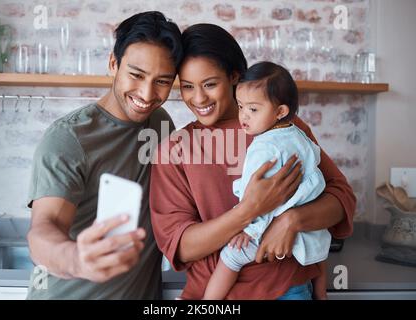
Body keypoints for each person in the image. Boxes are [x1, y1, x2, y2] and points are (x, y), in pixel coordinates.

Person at [150, 24, 356, 300]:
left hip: (288, 288)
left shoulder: (284, 128)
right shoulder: (174, 150)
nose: (198, 98)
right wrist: (250, 210)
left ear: (234, 76)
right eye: (187, 87)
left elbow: (342, 198)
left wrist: (291, 220)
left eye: (210, 84)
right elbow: (181, 246)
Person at [26, 11, 183, 299]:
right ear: (113, 64)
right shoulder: (69, 138)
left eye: (162, 81)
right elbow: (43, 230)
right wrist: (77, 259)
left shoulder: (161, 123)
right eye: (136, 75)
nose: (147, 94)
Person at [203, 61, 330, 300]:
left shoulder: (264, 147)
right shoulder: (300, 135)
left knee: (230, 256)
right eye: (240, 107)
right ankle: (321, 295)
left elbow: (260, 199)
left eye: (253, 109)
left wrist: (250, 231)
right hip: (308, 229)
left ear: (280, 111)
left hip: (270, 230)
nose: (243, 117)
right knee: (320, 253)